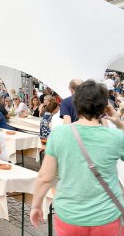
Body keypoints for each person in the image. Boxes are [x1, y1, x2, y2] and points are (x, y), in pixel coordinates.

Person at [30, 80, 124, 235]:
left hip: (70, 215)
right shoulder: (114, 137)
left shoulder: (59, 134)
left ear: (76, 104)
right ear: (104, 108)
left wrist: (36, 205)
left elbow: (45, 178)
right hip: (106, 215)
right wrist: (119, 123)